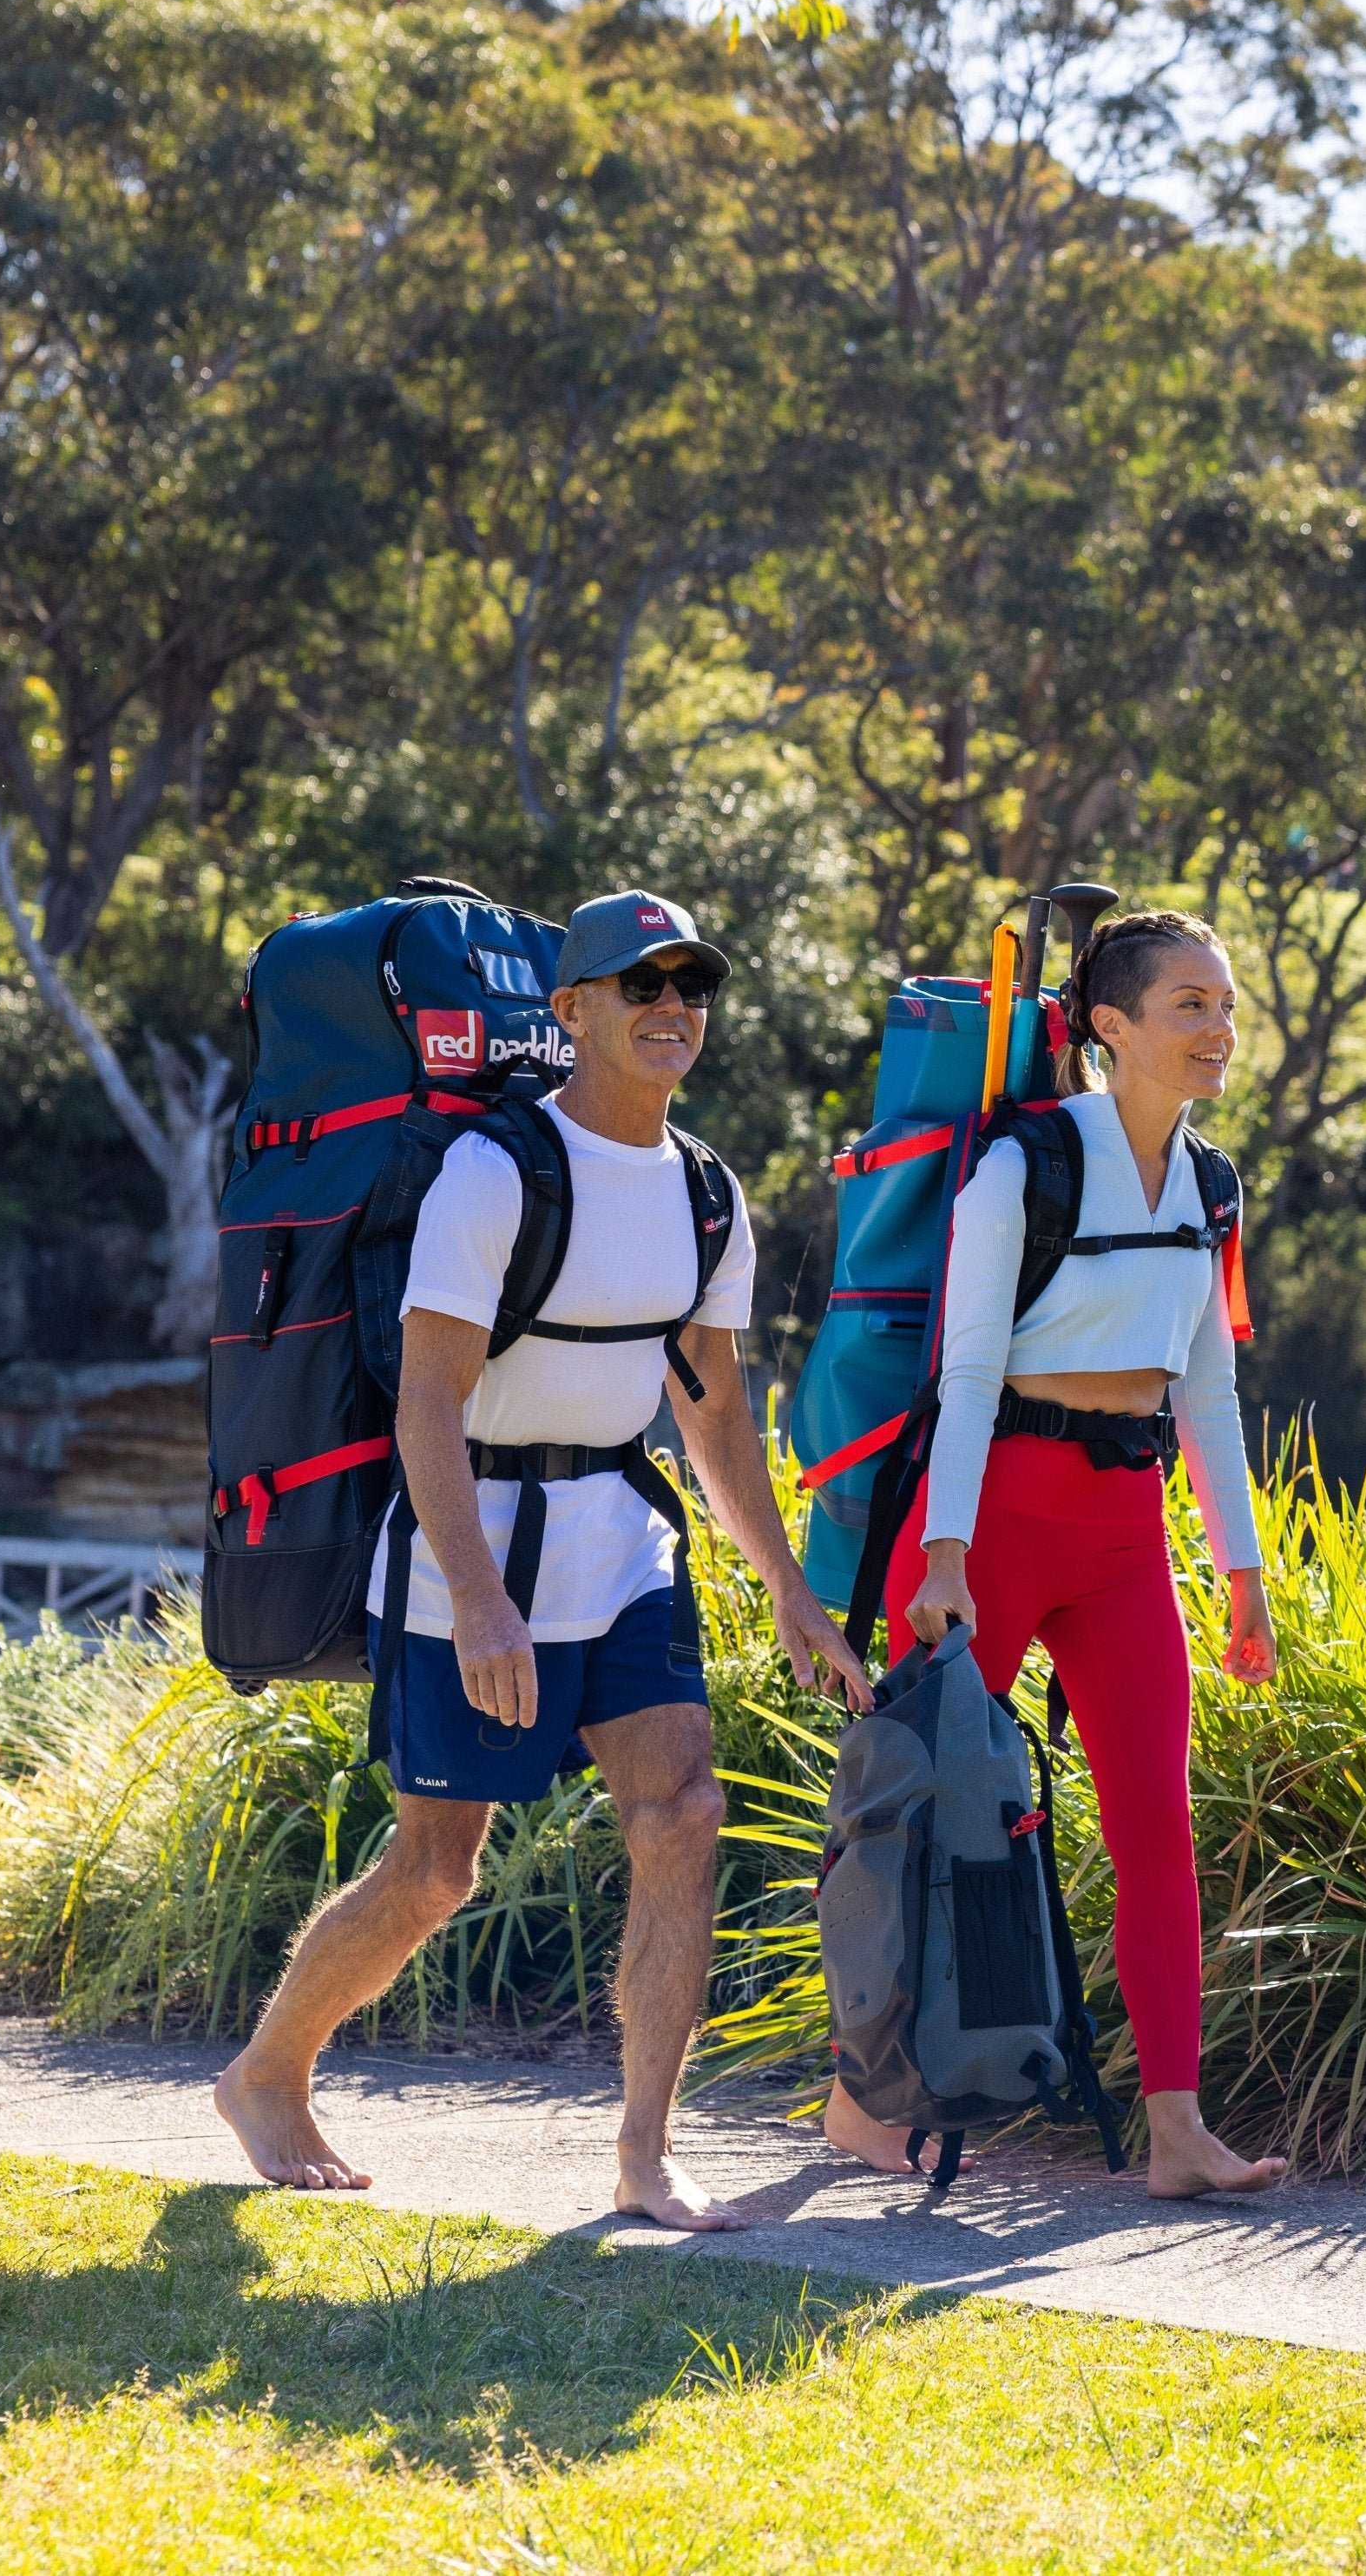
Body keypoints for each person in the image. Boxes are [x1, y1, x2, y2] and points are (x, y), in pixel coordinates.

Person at [213, 889, 875, 2225]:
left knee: (682, 1813)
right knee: (435, 1870)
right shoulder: (494, 1174)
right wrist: (475, 1601)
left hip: (617, 1546)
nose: (672, 1005)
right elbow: (427, 1406)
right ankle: (268, 2071)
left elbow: (715, 1414)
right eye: (641, 984)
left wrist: (790, 1589)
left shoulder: (704, 1193)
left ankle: (643, 2152)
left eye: (691, 982)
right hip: (477, 1544)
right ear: (569, 1011)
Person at [831, 906, 1289, 2199]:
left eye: (1225, 1003)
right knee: (931, 1816)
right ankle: (859, 2097)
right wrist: (948, 1555)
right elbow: (966, 1372)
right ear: (1110, 1026)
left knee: (1157, 1827)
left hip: (1123, 1533)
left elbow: (1207, 1394)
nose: (1218, 1027)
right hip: (987, 1525)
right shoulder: (1018, 1169)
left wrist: (1242, 1570)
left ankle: (1179, 2130)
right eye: (1189, 1004)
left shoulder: (1208, 1182)